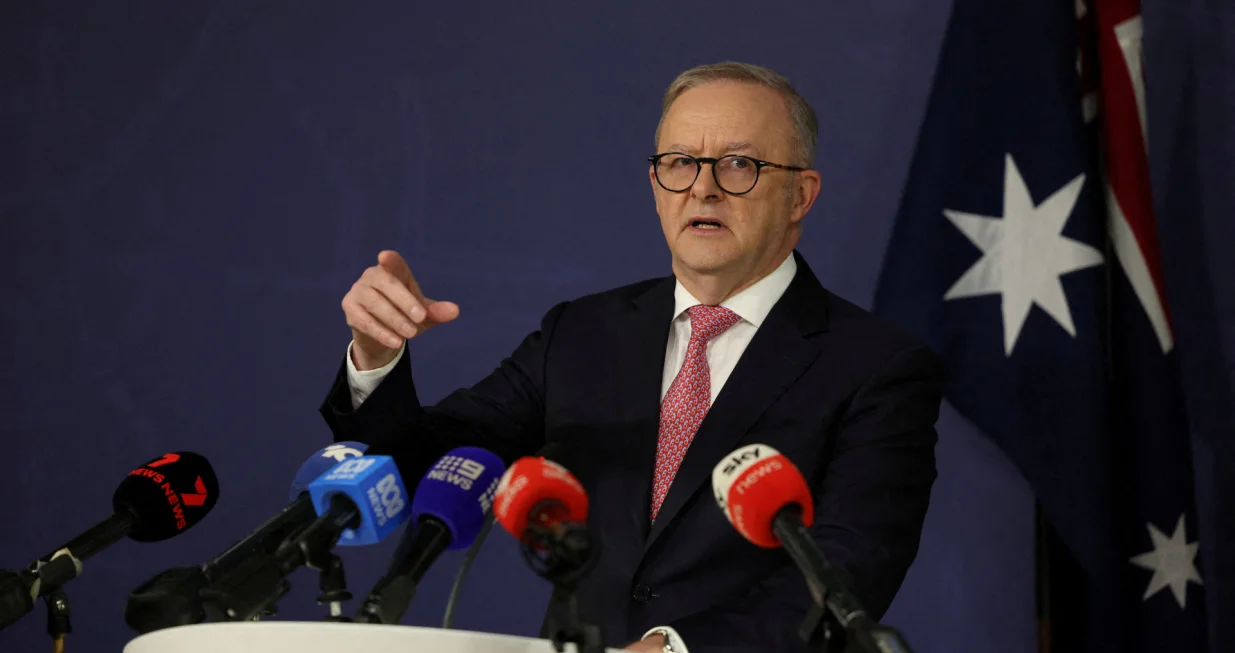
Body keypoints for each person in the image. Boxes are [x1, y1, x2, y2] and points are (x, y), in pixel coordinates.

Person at [320, 62, 943, 653]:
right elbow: (426, 470)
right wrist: (377, 357)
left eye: (737, 165)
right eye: (679, 162)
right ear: (655, 184)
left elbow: (850, 567)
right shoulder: (583, 334)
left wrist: (674, 648)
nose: (703, 187)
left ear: (799, 195)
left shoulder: (876, 367)